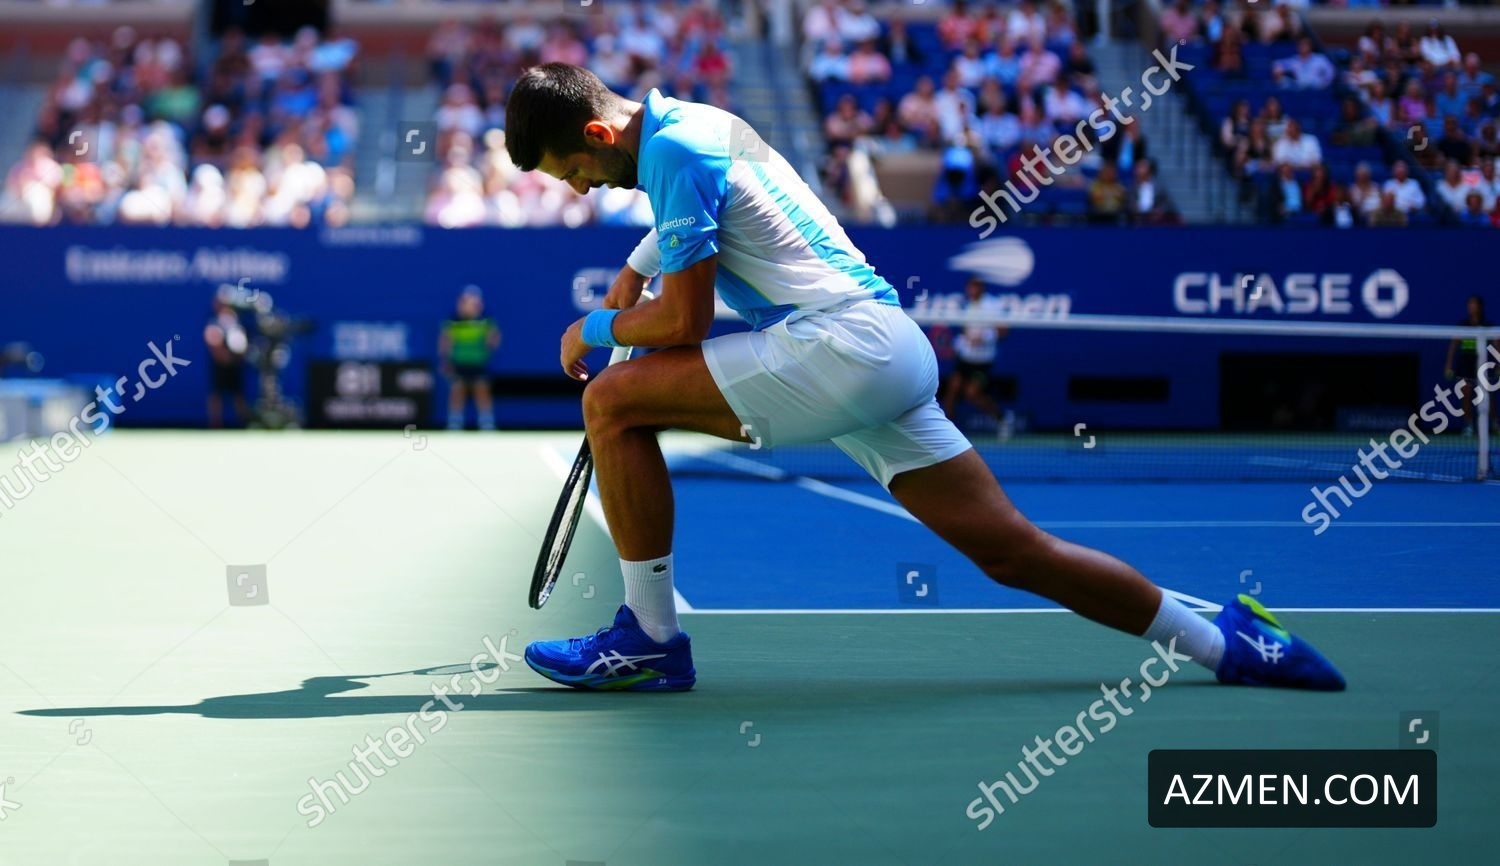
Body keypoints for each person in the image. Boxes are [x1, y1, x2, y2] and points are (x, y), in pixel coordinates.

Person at [502, 63, 1345, 692]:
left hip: (837, 347)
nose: (580, 189)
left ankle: (650, 641)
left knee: (612, 400)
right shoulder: (692, 124)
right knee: (1014, 553)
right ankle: (1228, 644)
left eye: (572, 172)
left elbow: (683, 325)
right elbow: (715, 199)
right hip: (885, 347)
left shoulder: (670, 152)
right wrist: (637, 265)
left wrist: (595, 326)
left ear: (599, 136)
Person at [941, 277, 1011, 436]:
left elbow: (1004, 330)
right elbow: (966, 333)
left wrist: (984, 337)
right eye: (970, 287)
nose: (972, 290)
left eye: (976, 287)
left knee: (972, 393)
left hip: (983, 361)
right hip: (965, 359)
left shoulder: (993, 305)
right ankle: (948, 431)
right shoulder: (968, 306)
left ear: (982, 288)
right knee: (953, 388)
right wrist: (957, 345)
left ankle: (1002, 419)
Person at [439, 285, 501, 431]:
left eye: (475, 302)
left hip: (479, 361)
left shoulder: (486, 320)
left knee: (482, 390)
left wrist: (490, 346)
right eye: (467, 302)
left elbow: (494, 337)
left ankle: (486, 421)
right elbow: (445, 341)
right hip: (458, 361)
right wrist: (445, 360)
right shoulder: (453, 320)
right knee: (457, 390)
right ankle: (455, 421)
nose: (471, 305)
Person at [1444, 295, 1496, 437]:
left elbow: (1497, 346)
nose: (1471, 307)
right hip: (1465, 364)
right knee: (1466, 393)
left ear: (1480, 307)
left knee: (1487, 396)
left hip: (1484, 364)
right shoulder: (1463, 325)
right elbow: (1453, 345)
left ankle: (1494, 423)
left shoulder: (1487, 325)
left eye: (1474, 304)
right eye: (1469, 305)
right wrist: (1448, 365)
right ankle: (1468, 425)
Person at [204, 291, 250, 429]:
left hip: (234, 365)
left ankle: (244, 423)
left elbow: (242, 343)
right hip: (220, 365)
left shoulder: (236, 322)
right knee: (216, 395)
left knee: (238, 394)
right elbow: (212, 339)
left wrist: (238, 356)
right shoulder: (215, 322)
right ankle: (215, 424)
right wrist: (223, 356)